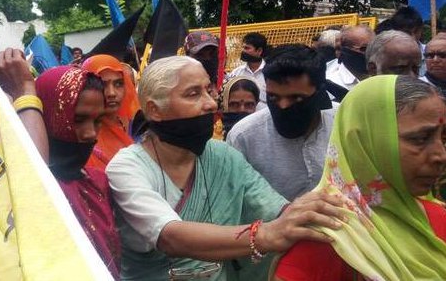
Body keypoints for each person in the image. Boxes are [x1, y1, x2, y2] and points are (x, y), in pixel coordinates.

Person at [106, 56, 345, 281]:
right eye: (192, 94)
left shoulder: (223, 156)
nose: (211, 103)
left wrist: (308, 215)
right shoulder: (127, 168)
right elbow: (170, 236)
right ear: (155, 109)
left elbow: (274, 208)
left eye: (209, 90)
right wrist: (266, 234)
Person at [273, 75, 446, 280]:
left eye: (444, 138)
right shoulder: (323, 240)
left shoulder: (437, 217)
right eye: (420, 139)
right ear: (364, 141)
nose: (441, 155)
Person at [35, 66, 121, 279]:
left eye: (98, 120)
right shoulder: (29, 188)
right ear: (46, 115)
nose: (91, 134)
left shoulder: (98, 181)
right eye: (77, 119)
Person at [227, 45, 336, 201]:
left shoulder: (342, 125)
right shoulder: (244, 137)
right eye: (273, 97)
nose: (283, 106)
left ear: (319, 93)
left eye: (296, 98)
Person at [82, 54, 139, 169]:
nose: (112, 93)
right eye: (103, 85)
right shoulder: (82, 137)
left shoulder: (136, 125)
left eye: (118, 84)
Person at [326, 25, 375, 91]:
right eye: (364, 48)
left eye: (375, 47)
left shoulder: (384, 78)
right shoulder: (331, 84)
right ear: (345, 50)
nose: (372, 53)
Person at [226, 32, 268, 104]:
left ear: (259, 51)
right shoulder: (236, 73)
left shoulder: (269, 73)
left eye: (247, 48)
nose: (243, 51)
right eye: (243, 47)